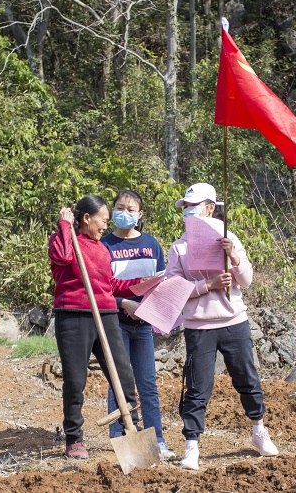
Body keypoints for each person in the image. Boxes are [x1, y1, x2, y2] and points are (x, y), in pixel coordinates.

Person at [166, 182, 279, 470]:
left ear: (211, 207)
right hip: (198, 325)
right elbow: (173, 287)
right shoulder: (179, 246)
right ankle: (191, 445)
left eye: (194, 206)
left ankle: (259, 431)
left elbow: (247, 279)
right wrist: (208, 286)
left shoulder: (230, 238)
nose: (189, 212)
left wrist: (234, 257)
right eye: (186, 208)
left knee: (246, 377)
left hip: (234, 321)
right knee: (197, 385)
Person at [48, 195, 143, 459]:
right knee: (75, 379)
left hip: (107, 314)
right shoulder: (62, 240)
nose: (105, 226)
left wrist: (140, 284)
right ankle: (74, 438)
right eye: (103, 220)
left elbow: (110, 286)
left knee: (123, 375)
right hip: (73, 315)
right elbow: (64, 258)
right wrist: (65, 226)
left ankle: (130, 427)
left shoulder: (102, 248)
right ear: (86, 219)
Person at [101, 189, 176, 460]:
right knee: (119, 382)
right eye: (120, 208)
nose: (125, 213)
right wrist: (125, 303)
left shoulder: (152, 245)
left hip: (143, 324)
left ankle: (157, 439)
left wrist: (146, 310)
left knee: (147, 382)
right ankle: (118, 438)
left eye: (131, 209)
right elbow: (101, 286)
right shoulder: (105, 245)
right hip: (116, 322)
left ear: (140, 214)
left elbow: (159, 284)